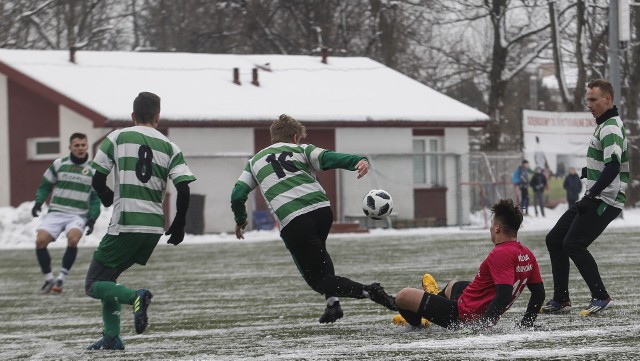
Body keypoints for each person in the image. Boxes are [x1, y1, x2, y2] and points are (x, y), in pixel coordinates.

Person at [231, 114, 398, 324]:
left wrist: (240, 218)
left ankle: (371, 292)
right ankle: (333, 305)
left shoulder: (254, 162)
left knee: (319, 280)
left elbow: (238, 194)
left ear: (274, 137)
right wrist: (358, 161)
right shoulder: (302, 150)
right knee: (320, 255)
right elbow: (329, 157)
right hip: (322, 211)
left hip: (294, 220)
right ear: (294, 137)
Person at [85, 92, 196, 350]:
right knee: (107, 279)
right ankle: (111, 337)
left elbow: (97, 176)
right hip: (153, 226)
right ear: (158, 117)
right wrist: (179, 223)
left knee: (92, 284)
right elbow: (184, 188)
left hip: (126, 223)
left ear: (132, 116)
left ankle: (136, 297)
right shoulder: (170, 146)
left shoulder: (118, 136)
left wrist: (105, 196)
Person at [541, 79, 629, 316]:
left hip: (605, 201)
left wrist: (591, 193)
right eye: (587, 99)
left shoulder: (610, 127)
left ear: (607, 100)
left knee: (573, 244)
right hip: (596, 196)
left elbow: (613, 167)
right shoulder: (604, 125)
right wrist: (587, 173)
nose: (588, 104)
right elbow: (605, 164)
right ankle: (561, 299)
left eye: (593, 99)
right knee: (555, 239)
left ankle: (601, 296)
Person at [394, 199, 545, 331]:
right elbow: (539, 294)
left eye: (492, 224)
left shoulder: (501, 253)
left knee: (403, 296)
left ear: (498, 228)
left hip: (462, 316)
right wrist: (527, 324)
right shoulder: (527, 253)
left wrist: (482, 327)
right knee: (453, 285)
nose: (490, 228)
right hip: (470, 304)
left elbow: (504, 295)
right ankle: (432, 301)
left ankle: (419, 324)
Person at [32, 132, 100, 294]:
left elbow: (95, 198)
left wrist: (92, 219)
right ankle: (49, 279)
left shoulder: (93, 170)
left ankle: (61, 279)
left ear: (87, 146)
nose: (80, 148)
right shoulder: (58, 164)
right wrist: (38, 202)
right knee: (40, 241)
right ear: (70, 147)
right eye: (76, 145)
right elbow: (45, 186)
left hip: (78, 215)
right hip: (56, 212)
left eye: (83, 145)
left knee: (73, 239)